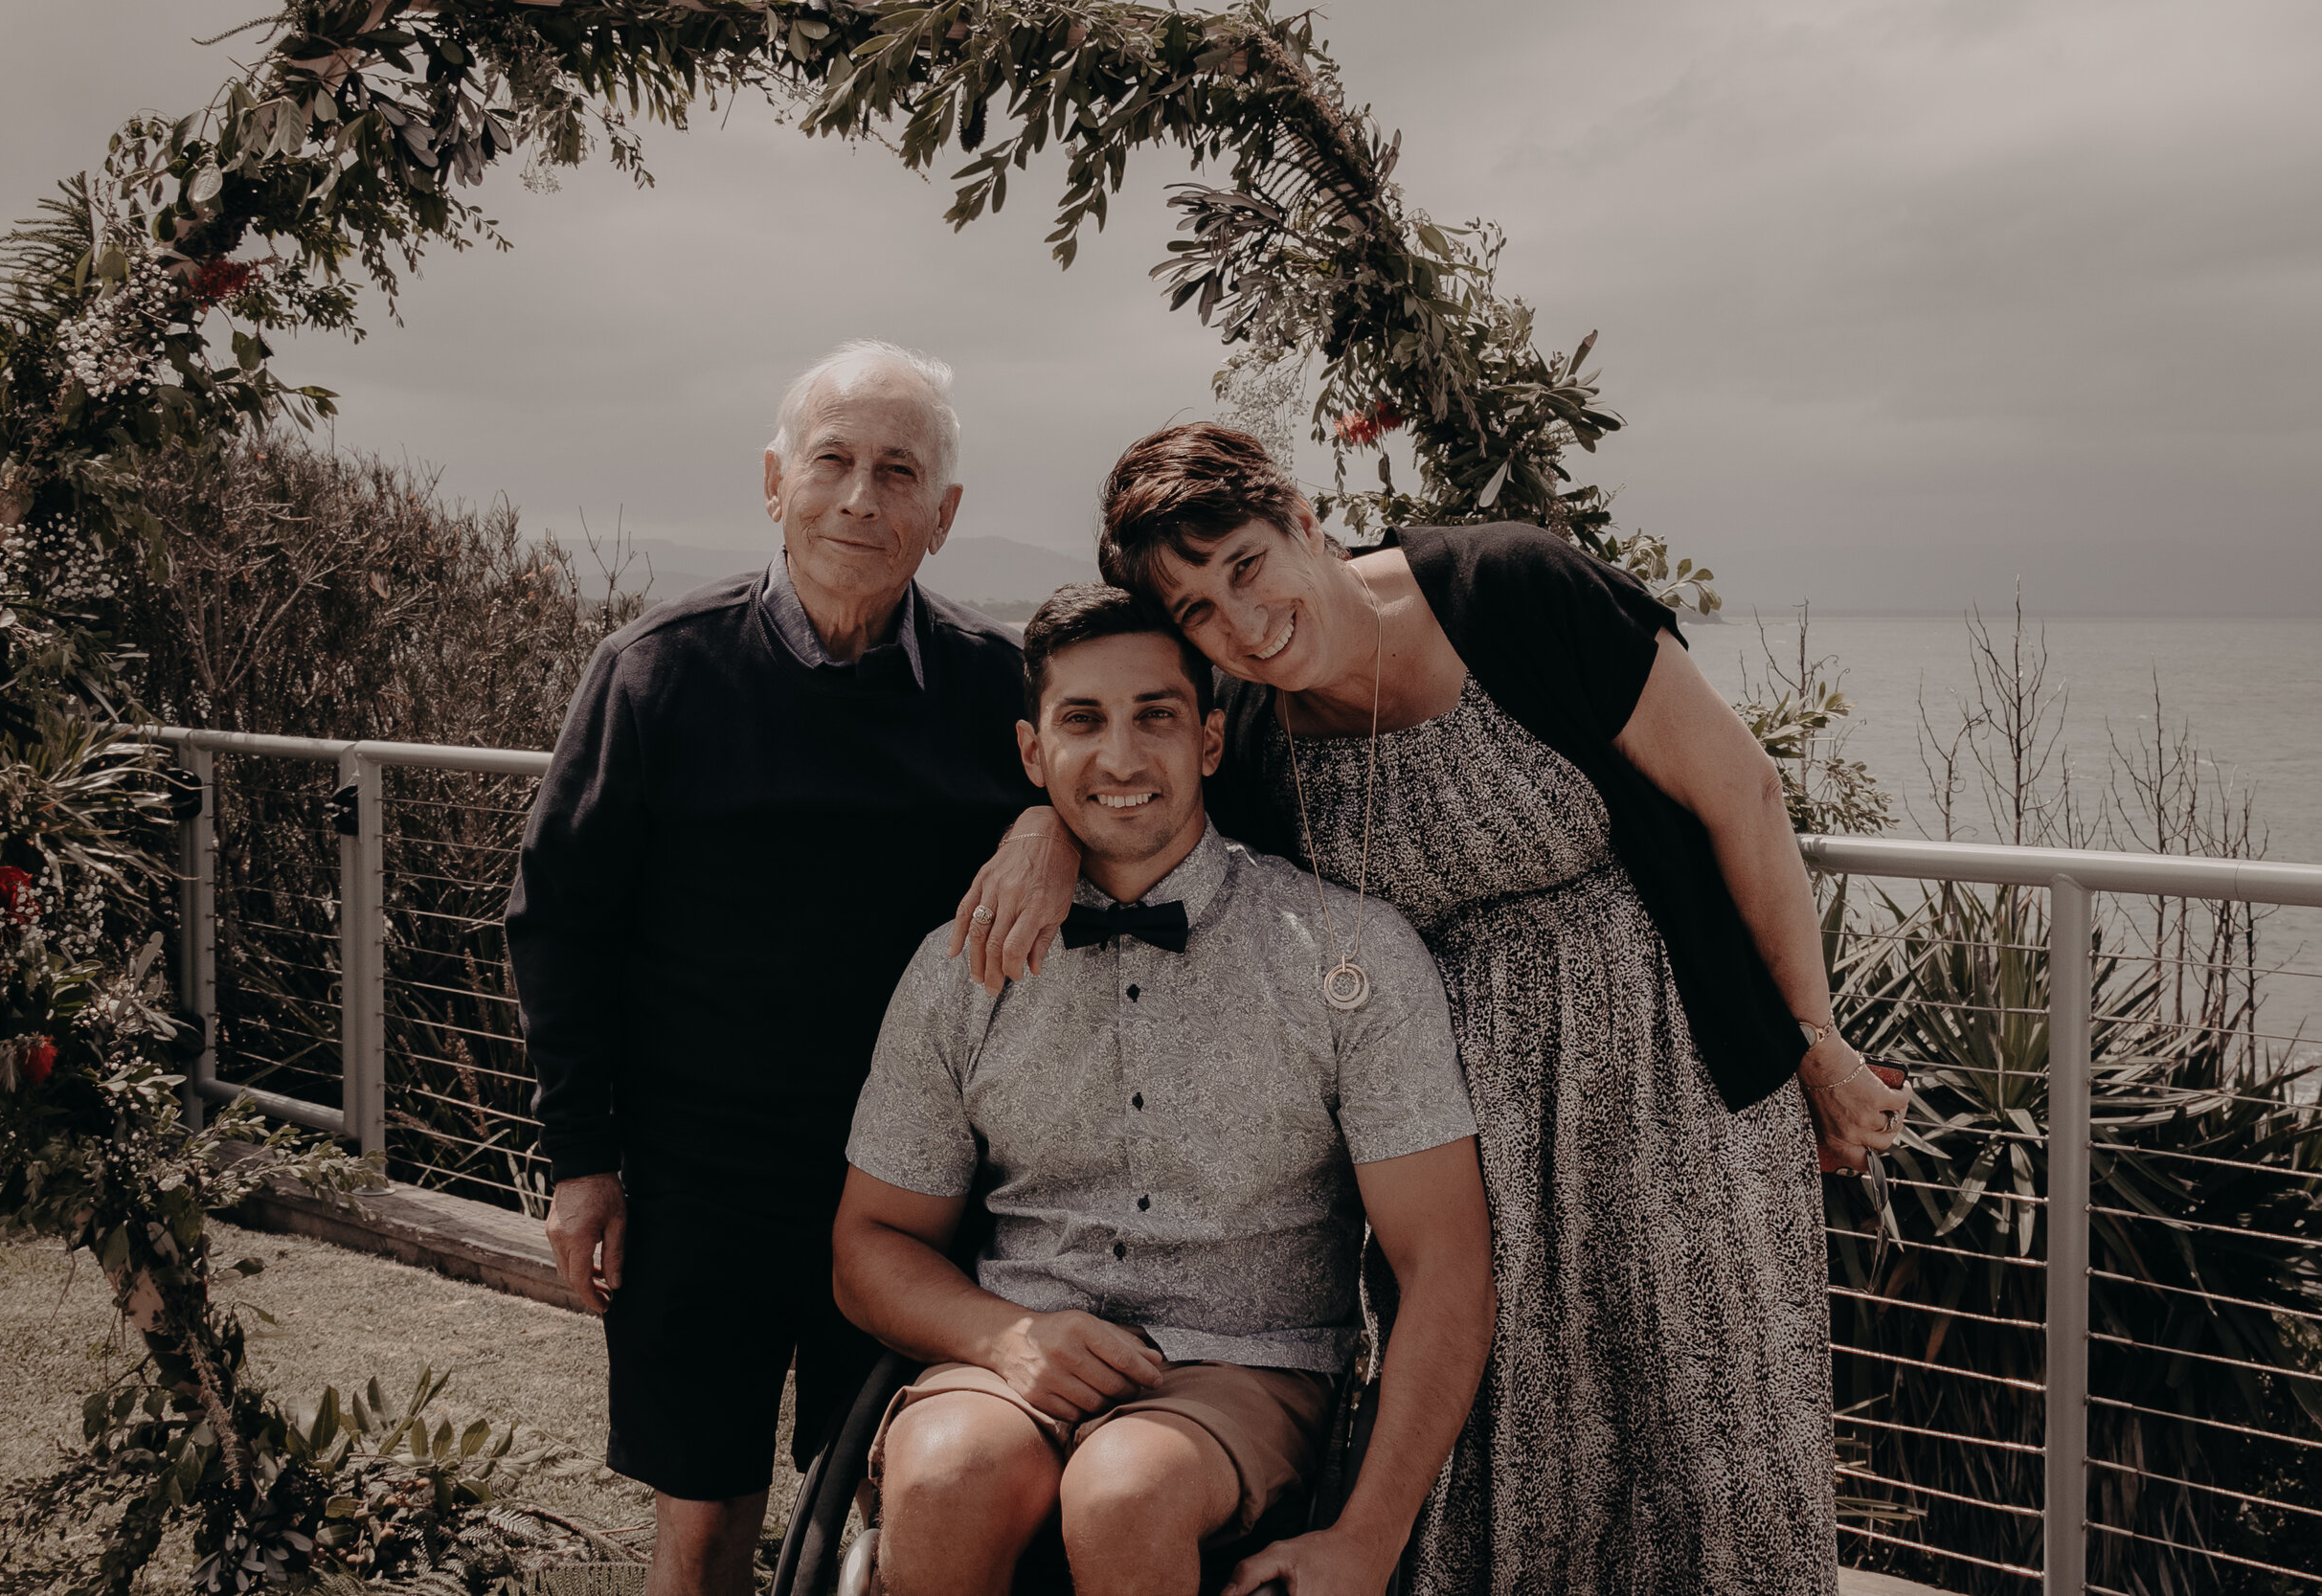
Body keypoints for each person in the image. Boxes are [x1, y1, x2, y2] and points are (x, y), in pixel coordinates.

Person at [952, 425, 1916, 1594]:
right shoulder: (1248, 735)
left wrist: (1815, 1042)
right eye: (1199, 610)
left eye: (1247, 565)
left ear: (1302, 519)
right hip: (1455, 1139)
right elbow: (1142, 808)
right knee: (1514, 1471)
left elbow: (1742, 793)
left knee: (1713, 1449)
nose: (1243, 622)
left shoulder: (1508, 589)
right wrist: (1042, 830)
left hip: (1669, 1096)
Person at [505, 342, 1049, 1595]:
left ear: (943, 514)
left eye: (898, 471)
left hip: (921, 1191)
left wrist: (1049, 825)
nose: (860, 496)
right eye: (833, 460)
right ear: (774, 483)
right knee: (703, 1532)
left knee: (899, 1515)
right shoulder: (656, 671)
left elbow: (1130, 790)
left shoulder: (1000, 688)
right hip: (699, 1182)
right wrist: (581, 1160)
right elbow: (561, 919)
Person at [835, 584, 1495, 1596]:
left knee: (1125, 1489)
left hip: (1252, 1367)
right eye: (1082, 720)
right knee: (947, 1471)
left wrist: (1366, 1540)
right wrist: (1002, 1336)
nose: (1121, 757)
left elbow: (1444, 1263)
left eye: (1156, 715)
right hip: (1009, 1355)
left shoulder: (1349, 952)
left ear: (1210, 740)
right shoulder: (958, 966)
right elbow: (869, 1243)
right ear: (1032, 752)